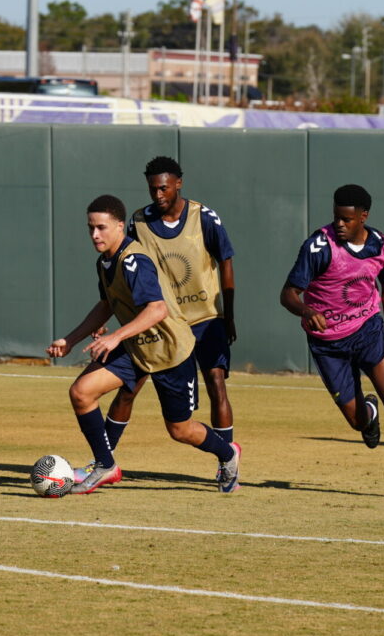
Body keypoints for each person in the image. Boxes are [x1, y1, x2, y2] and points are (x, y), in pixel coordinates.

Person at [46, 194, 241, 494]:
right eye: (90, 228)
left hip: (170, 350)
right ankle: (105, 464)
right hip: (137, 348)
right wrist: (70, 340)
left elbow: (157, 309)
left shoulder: (135, 260)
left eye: (101, 227)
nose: (95, 234)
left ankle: (228, 454)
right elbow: (106, 304)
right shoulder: (105, 262)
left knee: (180, 430)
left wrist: (115, 336)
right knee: (81, 393)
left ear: (120, 226)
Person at [280, 184, 384, 503]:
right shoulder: (318, 246)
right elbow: (288, 294)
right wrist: (306, 309)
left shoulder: (383, 246)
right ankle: (366, 412)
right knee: (357, 421)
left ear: (363, 217)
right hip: (328, 344)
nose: (339, 224)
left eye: (346, 219)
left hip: (368, 331)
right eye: (336, 218)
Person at [103, 156, 236, 454]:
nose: (158, 195)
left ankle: (227, 459)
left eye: (164, 188)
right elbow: (124, 269)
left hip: (205, 318)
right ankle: (103, 459)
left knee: (216, 382)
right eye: (153, 189)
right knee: (129, 388)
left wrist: (229, 315)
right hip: (163, 322)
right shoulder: (139, 222)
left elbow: (226, 261)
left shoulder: (203, 217)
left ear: (178, 184)